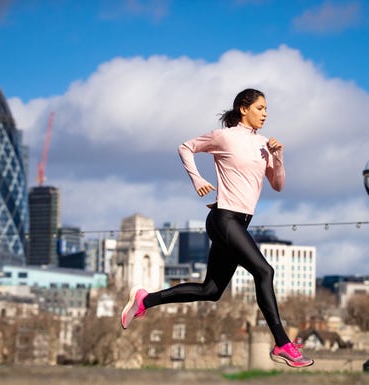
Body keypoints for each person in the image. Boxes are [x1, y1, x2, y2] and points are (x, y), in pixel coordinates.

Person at [121, 88, 313, 368]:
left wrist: (278, 155)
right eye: (260, 108)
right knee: (264, 271)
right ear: (243, 108)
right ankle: (282, 343)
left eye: (266, 109)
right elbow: (185, 147)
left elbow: (278, 184)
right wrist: (197, 178)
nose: (265, 114)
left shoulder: (263, 145)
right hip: (224, 219)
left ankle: (144, 300)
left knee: (210, 290)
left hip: (240, 222)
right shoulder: (224, 137)